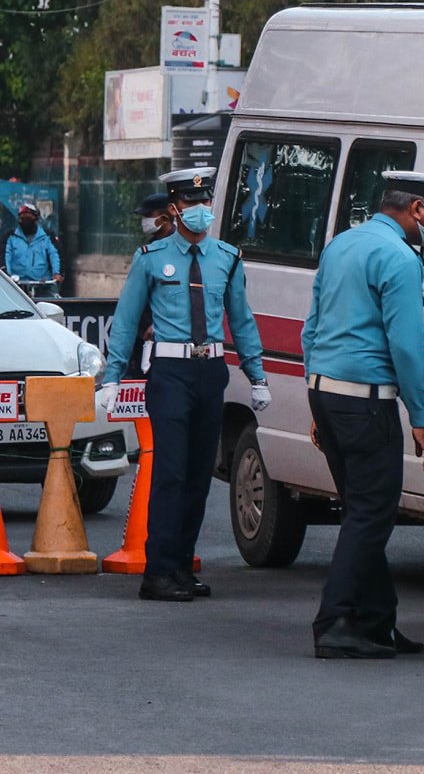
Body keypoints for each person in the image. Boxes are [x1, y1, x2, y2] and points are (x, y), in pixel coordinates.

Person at [98, 166, 268, 602]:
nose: (200, 211)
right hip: (170, 373)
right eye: (192, 204)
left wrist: (257, 374)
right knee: (171, 472)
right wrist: (112, 376)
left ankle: (182, 565)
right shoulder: (151, 258)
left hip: (210, 371)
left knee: (198, 474)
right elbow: (128, 320)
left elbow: (241, 320)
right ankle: (157, 571)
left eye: (205, 202)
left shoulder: (227, 258)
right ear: (174, 209)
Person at [301, 171, 424, 660]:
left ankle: (378, 621)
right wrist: (420, 418)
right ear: (418, 208)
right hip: (366, 400)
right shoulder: (400, 259)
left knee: (363, 512)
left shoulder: (341, 244)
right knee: (371, 513)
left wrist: (315, 395)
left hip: (327, 391)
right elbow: (405, 346)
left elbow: (312, 326)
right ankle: (334, 621)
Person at [3, 204, 62, 295]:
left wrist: (56, 273)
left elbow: (54, 254)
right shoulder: (10, 236)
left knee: (51, 303)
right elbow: (5, 255)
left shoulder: (47, 236)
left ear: (36, 219)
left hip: (42, 283)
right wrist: (7, 274)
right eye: (22, 217)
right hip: (17, 283)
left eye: (29, 217)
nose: (25, 220)